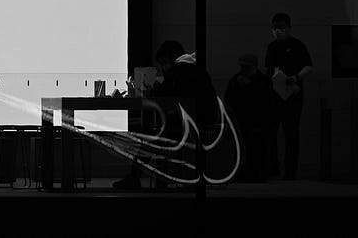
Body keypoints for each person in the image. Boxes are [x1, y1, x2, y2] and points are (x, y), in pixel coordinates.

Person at [112, 39, 216, 190]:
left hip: (191, 124)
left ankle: (137, 177)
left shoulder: (180, 68)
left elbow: (163, 93)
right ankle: (152, 179)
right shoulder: (194, 67)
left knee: (149, 133)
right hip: (201, 120)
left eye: (164, 63)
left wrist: (150, 91)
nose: (163, 68)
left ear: (171, 57)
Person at [265, 12, 313, 180]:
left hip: (293, 96)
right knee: (271, 133)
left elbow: (308, 66)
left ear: (289, 28)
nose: (278, 31)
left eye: (281, 28)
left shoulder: (298, 46)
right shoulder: (271, 47)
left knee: (291, 133)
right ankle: (273, 168)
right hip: (275, 96)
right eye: (275, 28)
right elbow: (269, 70)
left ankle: (290, 171)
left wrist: (296, 78)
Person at [223, 52, 276, 183]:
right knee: (248, 152)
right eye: (242, 67)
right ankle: (249, 175)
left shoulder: (257, 82)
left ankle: (253, 175)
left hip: (254, 124)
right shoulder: (240, 81)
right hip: (246, 124)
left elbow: (267, 105)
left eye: (246, 67)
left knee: (254, 153)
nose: (243, 70)